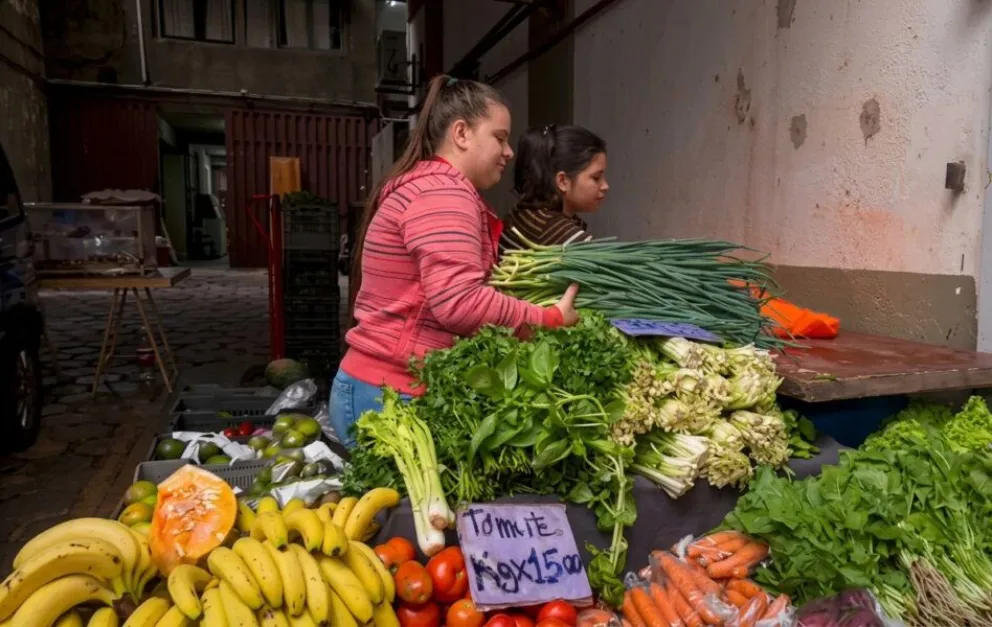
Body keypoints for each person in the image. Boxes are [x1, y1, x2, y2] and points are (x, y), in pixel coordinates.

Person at [332, 75, 581, 448]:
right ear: (462, 133)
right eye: (499, 137)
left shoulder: (427, 186)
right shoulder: (444, 193)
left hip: (381, 389)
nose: (509, 151)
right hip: (389, 397)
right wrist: (550, 320)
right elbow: (459, 303)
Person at [499, 124, 609, 253]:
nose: (605, 186)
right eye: (596, 178)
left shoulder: (523, 211)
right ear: (562, 181)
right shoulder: (561, 235)